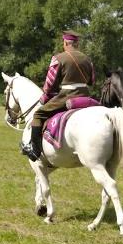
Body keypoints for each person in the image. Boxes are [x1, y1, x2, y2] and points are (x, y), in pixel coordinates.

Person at [23, 30, 96, 162]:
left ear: (65, 43)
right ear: (76, 44)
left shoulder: (58, 58)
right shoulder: (87, 59)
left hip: (66, 96)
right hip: (85, 96)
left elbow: (49, 84)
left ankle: (35, 151)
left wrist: (46, 94)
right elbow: (92, 81)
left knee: (38, 115)